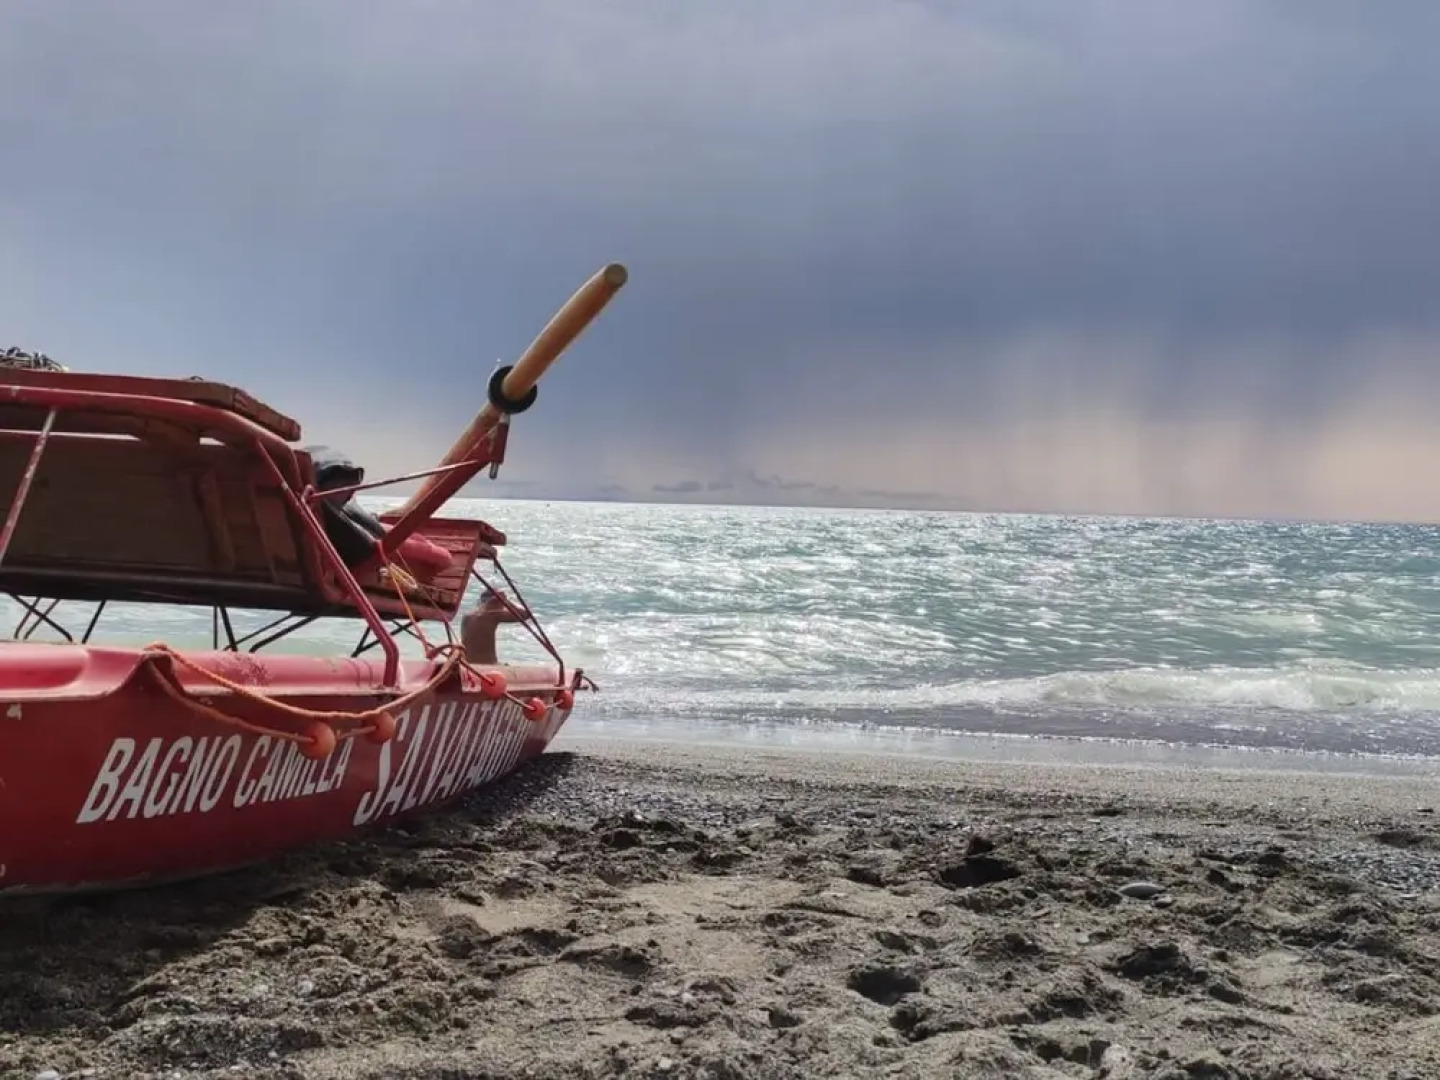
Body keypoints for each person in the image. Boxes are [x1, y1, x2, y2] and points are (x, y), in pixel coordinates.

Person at [460, 588, 529, 665]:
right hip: (487, 665)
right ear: (495, 603)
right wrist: (506, 601)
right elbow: (525, 614)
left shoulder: (467, 617)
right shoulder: (492, 615)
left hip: (468, 663)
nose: (503, 608)